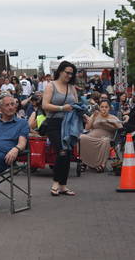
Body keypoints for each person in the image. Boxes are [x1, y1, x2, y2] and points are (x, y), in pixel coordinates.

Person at [42, 61, 78, 197]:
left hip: (68, 123)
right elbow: (45, 105)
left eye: (71, 73)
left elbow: (75, 104)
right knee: (62, 151)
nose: (69, 75)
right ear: (60, 71)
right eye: (67, 72)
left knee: (68, 153)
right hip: (54, 123)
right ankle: (56, 183)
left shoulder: (72, 87)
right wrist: (62, 108)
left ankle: (63, 185)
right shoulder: (51, 86)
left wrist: (83, 114)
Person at [80, 99, 122, 172]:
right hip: (92, 136)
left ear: (109, 108)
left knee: (105, 141)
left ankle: (101, 165)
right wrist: (93, 118)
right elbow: (87, 128)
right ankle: (84, 162)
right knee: (82, 137)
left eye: (106, 107)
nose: (104, 109)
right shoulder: (95, 115)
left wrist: (110, 123)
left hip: (106, 137)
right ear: (99, 107)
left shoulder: (113, 117)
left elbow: (120, 128)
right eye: (102, 107)